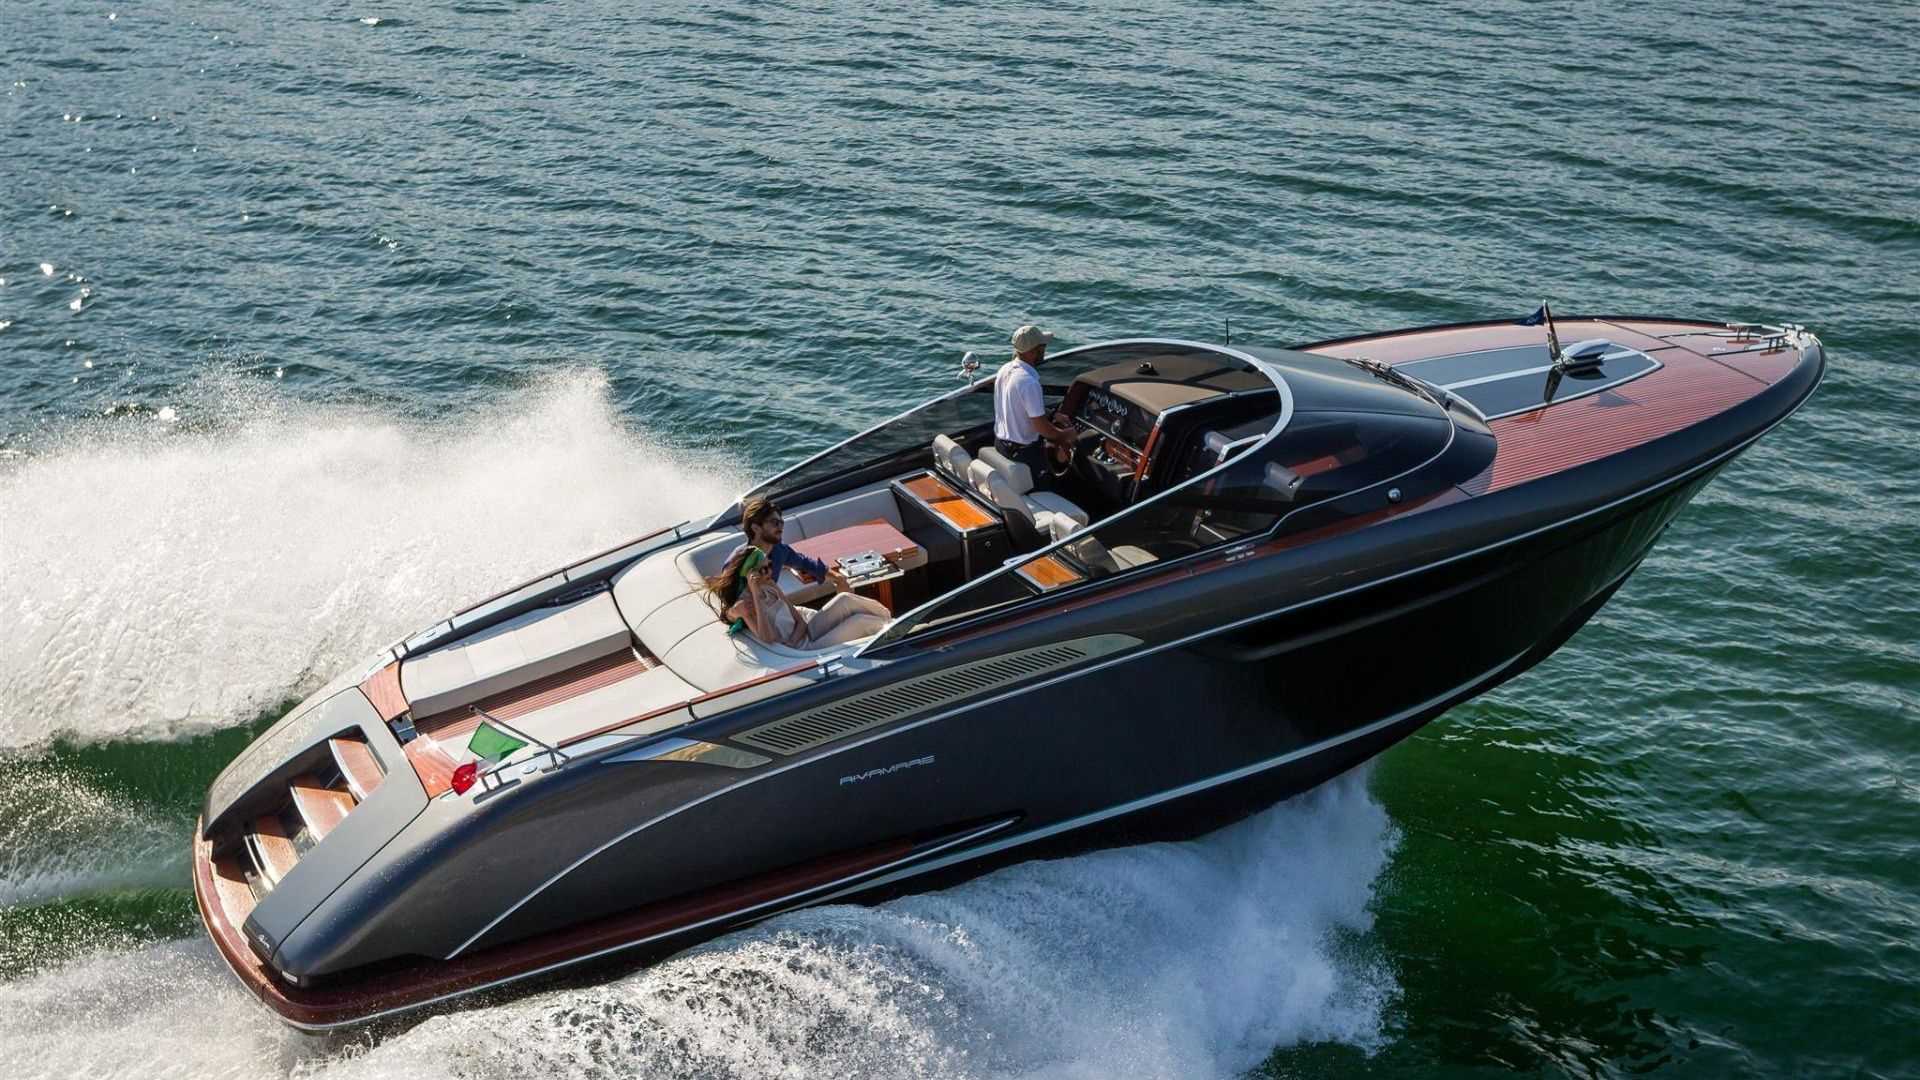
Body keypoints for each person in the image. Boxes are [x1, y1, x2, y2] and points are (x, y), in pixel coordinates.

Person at [703, 497, 890, 648]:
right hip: (776, 625)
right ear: (756, 527)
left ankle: (892, 621)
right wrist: (736, 613)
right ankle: (894, 633)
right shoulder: (739, 562)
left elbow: (804, 563)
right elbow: (728, 606)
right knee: (861, 622)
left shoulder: (778, 552)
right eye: (774, 522)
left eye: (781, 522)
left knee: (847, 599)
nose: (780, 526)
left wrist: (837, 578)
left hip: (790, 618)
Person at [994, 324, 1078, 491]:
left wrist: (1052, 415)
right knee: (1054, 485)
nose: (1045, 350)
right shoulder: (1029, 382)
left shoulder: (1005, 370)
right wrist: (1065, 436)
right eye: (1043, 347)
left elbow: (1019, 406)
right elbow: (1042, 429)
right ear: (1033, 352)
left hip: (1001, 445)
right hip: (1023, 454)